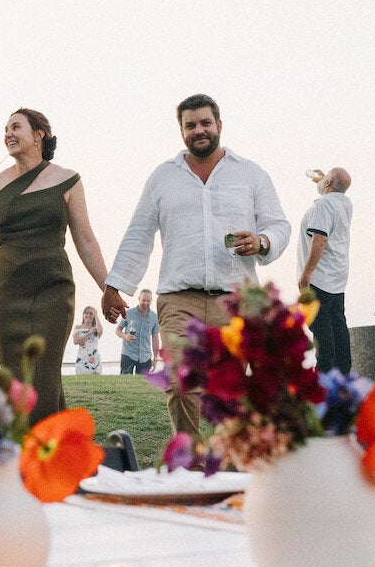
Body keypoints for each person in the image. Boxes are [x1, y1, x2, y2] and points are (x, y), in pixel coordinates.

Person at [103, 93, 291, 436]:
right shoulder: (163, 177)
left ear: (219, 125)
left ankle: (234, 468)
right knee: (181, 382)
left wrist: (262, 241)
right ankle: (189, 463)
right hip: (178, 298)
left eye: (205, 123)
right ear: (181, 131)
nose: (198, 130)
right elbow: (138, 235)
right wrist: (114, 286)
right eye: (190, 125)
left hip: (234, 298)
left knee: (232, 388)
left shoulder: (250, 174)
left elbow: (279, 225)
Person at [0, 108, 114, 423]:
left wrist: (108, 287)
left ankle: (45, 453)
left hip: (53, 288)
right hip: (7, 291)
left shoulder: (68, 179)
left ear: (39, 134)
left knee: (45, 376)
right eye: (5, 128)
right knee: (15, 379)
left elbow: (85, 239)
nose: (7, 133)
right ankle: (23, 456)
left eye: (15, 127)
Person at [297, 167, 355, 375]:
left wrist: (306, 273)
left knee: (320, 326)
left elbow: (319, 239)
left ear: (329, 182)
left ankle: (325, 372)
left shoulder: (323, 205)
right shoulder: (345, 203)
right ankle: (343, 372)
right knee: (338, 324)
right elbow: (332, 192)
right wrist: (323, 182)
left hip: (319, 276)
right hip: (337, 277)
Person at [116, 288, 159, 377]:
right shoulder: (128, 313)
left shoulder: (154, 317)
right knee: (125, 383)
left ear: (151, 301)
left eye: (148, 301)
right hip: (128, 354)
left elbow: (155, 338)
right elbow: (118, 330)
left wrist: (155, 358)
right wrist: (125, 336)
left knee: (143, 386)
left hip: (145, 356)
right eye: (143, 300)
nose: (146, 303)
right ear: (139, 299)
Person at [72, 307, 103, 374]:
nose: (88, 315)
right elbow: (76, 341)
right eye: (86, 313)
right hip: (82, 358)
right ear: (83, 315)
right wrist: (89, 333)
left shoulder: (95, 328)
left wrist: (96, 315)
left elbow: (100, 331)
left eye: (91, 314)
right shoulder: (78, 327)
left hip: (94, 357)